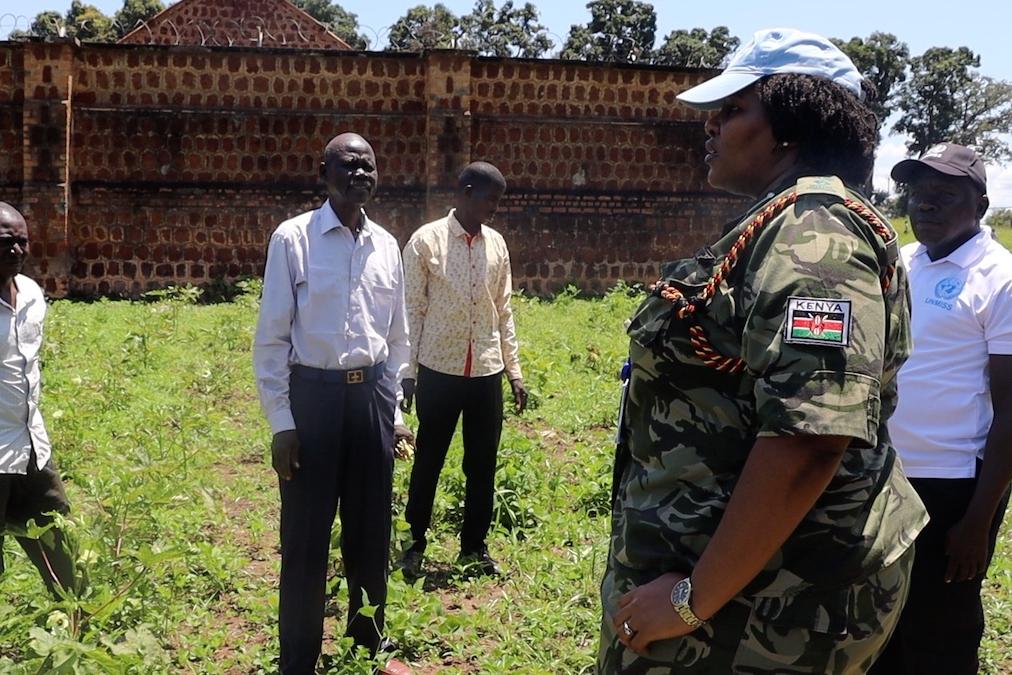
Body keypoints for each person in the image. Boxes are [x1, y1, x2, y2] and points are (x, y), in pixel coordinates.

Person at [598, 29, 928, 673]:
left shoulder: (815, 237)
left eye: (732, 110)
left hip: (764, 608)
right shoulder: (780, 223)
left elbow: (811, 437)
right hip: (743, 586)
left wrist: (695, 601)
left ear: (788, 127)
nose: (711, 127)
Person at [253, 133, 412, 674]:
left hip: (371, 399)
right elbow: (272, 339)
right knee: (305, 540)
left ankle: (365, 647)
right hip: (312, 402)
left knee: (371, 533)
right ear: (323, 171)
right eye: (349, 164)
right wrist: (282, 423)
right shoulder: (293, 239)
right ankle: (298, 659)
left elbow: (398, 340)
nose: (361, 173)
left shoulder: (387, 245)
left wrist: (395, 415)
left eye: (369, 164)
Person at [870, 144, 1012, 675]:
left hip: (951, 485)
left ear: (979, 201)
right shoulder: (901, 263)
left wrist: (978, 519)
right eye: (917, 195)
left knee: (940, 629)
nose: (925, 206)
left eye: (944, 195)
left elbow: (1011, 410)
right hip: (883, 475)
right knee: (879, 621)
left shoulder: (999, 278)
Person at [397, 162, 526, 580]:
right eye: (490, 198)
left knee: (482, 465)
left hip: (486, 370)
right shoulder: (426, 242)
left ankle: (474, 547)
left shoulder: (498, 246)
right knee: (429, 460)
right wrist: (408, 373)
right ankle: (413, 543)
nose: (494, 208)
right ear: (467, 192)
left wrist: (514, 370)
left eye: (499, 201)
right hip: (439, 368)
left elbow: (503, 311)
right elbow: (411, 312)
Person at [0, 201, 77, 599]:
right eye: (5, 243)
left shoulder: (31, 293)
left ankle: (75, 624)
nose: (16, 251)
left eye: (22, 242)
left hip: (31, 445)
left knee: (58, 538)